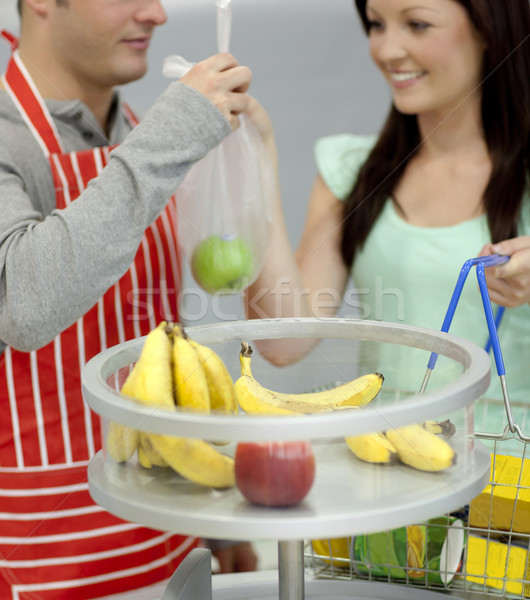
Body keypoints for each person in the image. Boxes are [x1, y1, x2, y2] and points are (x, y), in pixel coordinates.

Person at [0, 0, 258, 597]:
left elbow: (155, 340)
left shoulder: (137, 131)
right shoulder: (19, 139)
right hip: (44, 550)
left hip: (165, 533)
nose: (157, 13)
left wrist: (210, 524)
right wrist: (177, 132)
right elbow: (24, 301)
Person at [245, 0, 530, 404]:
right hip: (387, 459)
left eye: (416, 24)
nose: (386, 50)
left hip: (512, 462)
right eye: (377, 24)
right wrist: (254, 159)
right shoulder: (351, 173)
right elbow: (284, 342)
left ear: (489, 28)